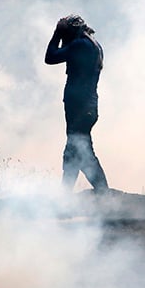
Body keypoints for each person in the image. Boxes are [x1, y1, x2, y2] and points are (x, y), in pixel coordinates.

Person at [45, 14, 109, 193]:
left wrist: (56, 33)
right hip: (85, 107)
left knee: (80, 151)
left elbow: (50, 57)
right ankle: (67, 194)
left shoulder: (80, 45)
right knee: (75, 151)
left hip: (80, 108)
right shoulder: (93, 45)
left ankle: (103, 192)